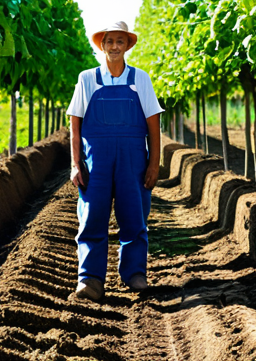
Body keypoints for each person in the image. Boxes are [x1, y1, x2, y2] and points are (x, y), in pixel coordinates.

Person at [66, 21, 163, 301]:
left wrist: (154, 164)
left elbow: (153, 125)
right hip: (96, 161)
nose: (115, 47)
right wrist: (75, 164)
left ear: (128, 45)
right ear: (102, 45)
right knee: (92, 217)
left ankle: (134, 274)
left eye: (120, 41)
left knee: (134, 215)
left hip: (133, 161)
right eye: (110, 41)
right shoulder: (87, 79)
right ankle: (90, 280)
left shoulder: (140, 79)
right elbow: (75, 126)